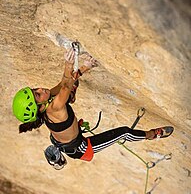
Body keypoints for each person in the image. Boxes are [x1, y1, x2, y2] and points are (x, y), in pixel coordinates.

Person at [12, 43, 174, 169]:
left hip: (64, 141)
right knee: (124, 132)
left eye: (35, 90)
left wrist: (84, 67)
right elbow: (66, 87)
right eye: (37, 94)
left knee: (70, 91)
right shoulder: (53, 107)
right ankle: (153, 134)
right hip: (82, 148)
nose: (40, 89)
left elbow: (63, 83)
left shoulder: (49, 102)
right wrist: (70, 64)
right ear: (40, 107)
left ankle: (66, 143)